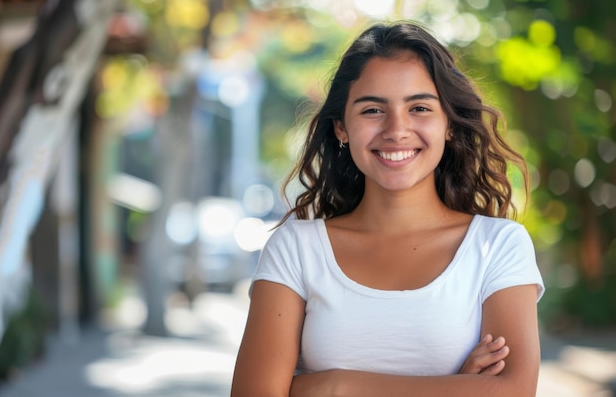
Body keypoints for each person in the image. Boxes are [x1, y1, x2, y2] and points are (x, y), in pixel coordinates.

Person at [231, 21, 545, 397]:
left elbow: (513, 390)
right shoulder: (295, 249)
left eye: (419, 107)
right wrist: (455, 387)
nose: (397, 129)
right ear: (341, 128)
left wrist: (335, 385)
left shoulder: (496, 246)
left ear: (448, 123)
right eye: (372, 110)